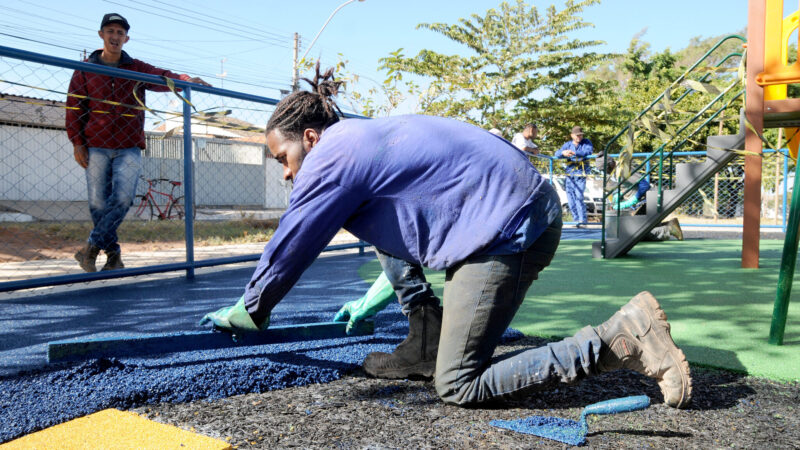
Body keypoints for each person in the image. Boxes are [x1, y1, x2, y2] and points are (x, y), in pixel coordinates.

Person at [199, 66, 692, 409]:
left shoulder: (333, 153)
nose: (287, 174)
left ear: (309, 138)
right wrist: (373, 300)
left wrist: (252, 308)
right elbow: (401, 234)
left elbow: (295, 239)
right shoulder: (365, 142)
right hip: (510, 218)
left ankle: (618, 339)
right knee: (445, 351)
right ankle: (426, 339)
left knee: (458, 384)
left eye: (282, 159)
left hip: (509, 229)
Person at [66, 13, 209, 272]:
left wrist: (184, 80)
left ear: (126, 39)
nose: (115, 36)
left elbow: (162, 76)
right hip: (96, 145)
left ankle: (90, 248)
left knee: (123, 198)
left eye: (120, 33)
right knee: (98, 203)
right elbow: (74, 107)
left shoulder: (136, 68)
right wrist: (77, 143)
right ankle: (113, 257)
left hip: (129, 145)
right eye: (110, 31)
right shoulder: (85, 69)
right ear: (101, 35)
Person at [597, 155, 683, 241]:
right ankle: (669, 224)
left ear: (611, 164)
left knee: (637, 232)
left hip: (653, 200)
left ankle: (669, 229)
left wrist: (632, 200)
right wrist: (619, 194)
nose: (606, 172)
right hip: (648, 200)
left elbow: (644, 185)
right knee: (636, 228)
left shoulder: (623, 170)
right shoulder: (617, 172)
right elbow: (629, 186)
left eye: (605, 169)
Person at [555, 126, 593, 227]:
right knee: (570, 198)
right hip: (570, 174)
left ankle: (582, 221)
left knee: (579, 197)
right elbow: (557, 153)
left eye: (581, 135)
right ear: (572, 135)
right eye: (577, 135)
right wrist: (563, 153)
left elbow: (588, 151)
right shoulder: (567, 144)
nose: (579, 137)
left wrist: (575, 153)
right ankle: (576, 220)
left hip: (580, 173)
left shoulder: (586, 142)